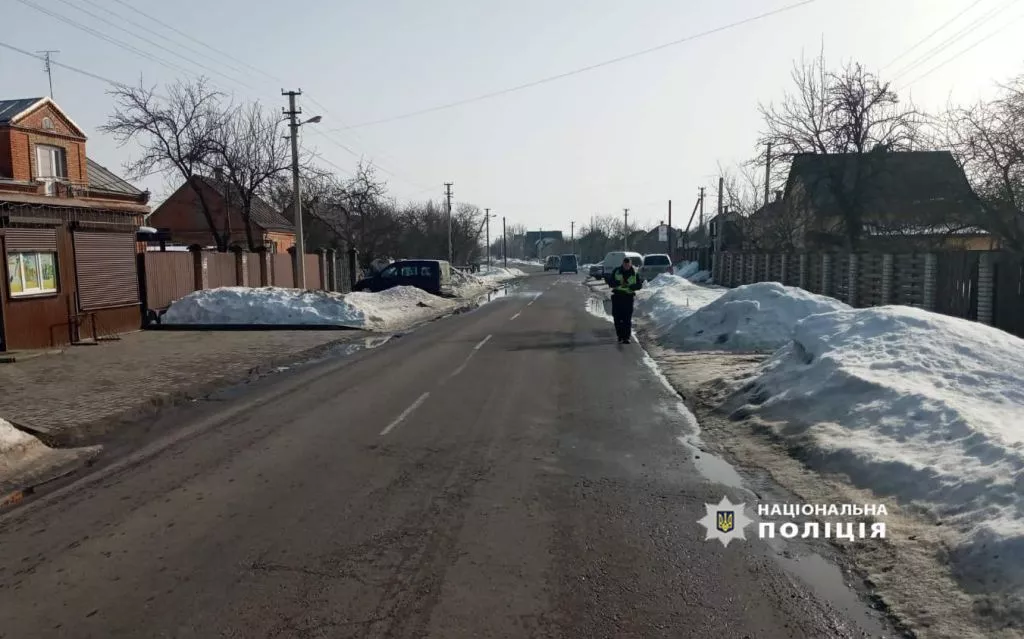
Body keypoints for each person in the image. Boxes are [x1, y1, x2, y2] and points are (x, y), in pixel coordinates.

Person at [608, 257, 643, 343]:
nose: (626, 266)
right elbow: (610, 282)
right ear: (622, 264)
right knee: (617, 318)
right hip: (617, 296)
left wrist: (631, 286)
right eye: (625, 265)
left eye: (628, 265)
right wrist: (619, 283)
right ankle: (620, 335)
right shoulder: (617, 271)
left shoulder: (634, 273)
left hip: (628, 297)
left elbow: (639, 285)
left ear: (630, 264)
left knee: (627, 318)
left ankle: (626, 337)